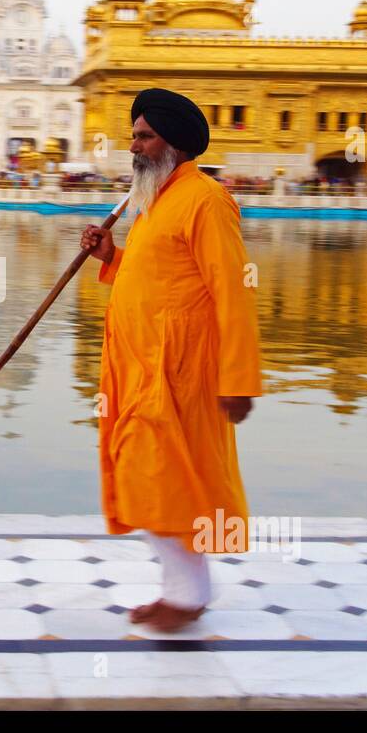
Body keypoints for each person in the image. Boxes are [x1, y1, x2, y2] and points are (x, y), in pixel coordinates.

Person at [81, 88, 263, 633]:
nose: (133, 147)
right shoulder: (158, 196)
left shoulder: (207, 200)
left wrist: (240, 379)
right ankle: (186, 589)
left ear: (174, 144)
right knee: (150, 477)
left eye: (145, 136)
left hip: (180, 369)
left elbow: (232, 291)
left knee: (162, 477)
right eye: (134, 136)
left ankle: (187, 596)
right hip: (138, 364)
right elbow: (157, 272)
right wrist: (110, 255)